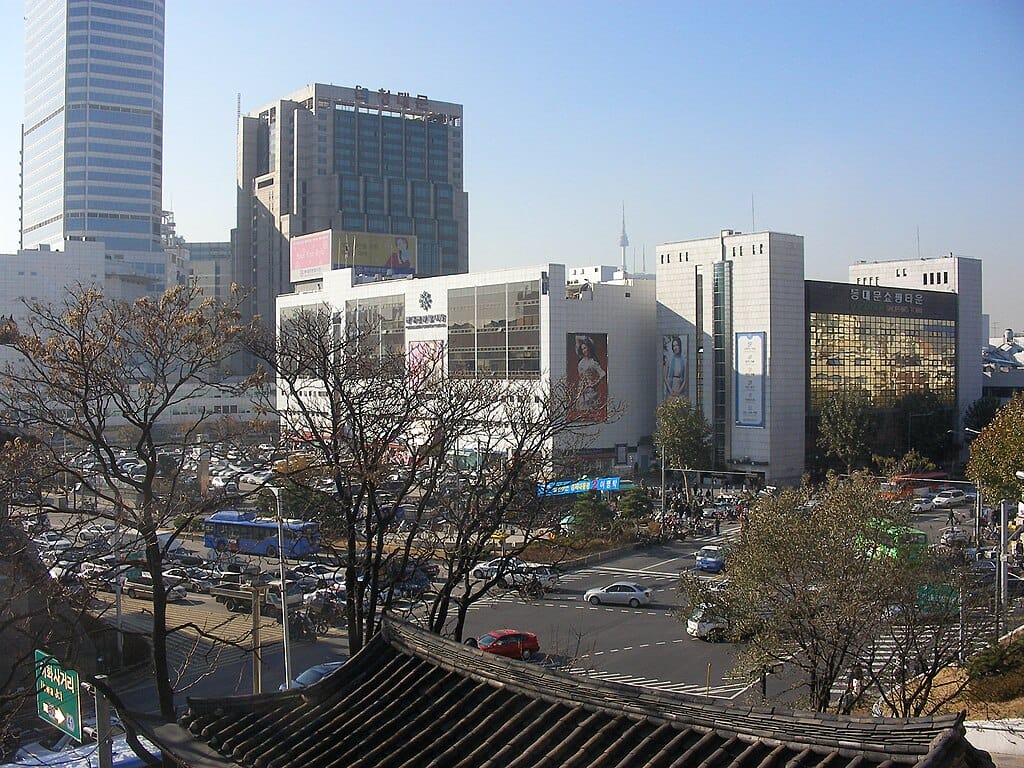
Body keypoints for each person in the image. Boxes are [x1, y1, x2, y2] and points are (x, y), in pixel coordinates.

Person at [574, 335, 606, 413]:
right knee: (580, 411)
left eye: (585, 348)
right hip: (581, 388)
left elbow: (603, 373)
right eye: (583, 349)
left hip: (589, 389)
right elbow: (577, 338)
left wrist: (595, 384)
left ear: (589, 348)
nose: (584, 350)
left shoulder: (593, 362)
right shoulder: (581, 360)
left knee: (589, 410)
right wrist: (585, 338)